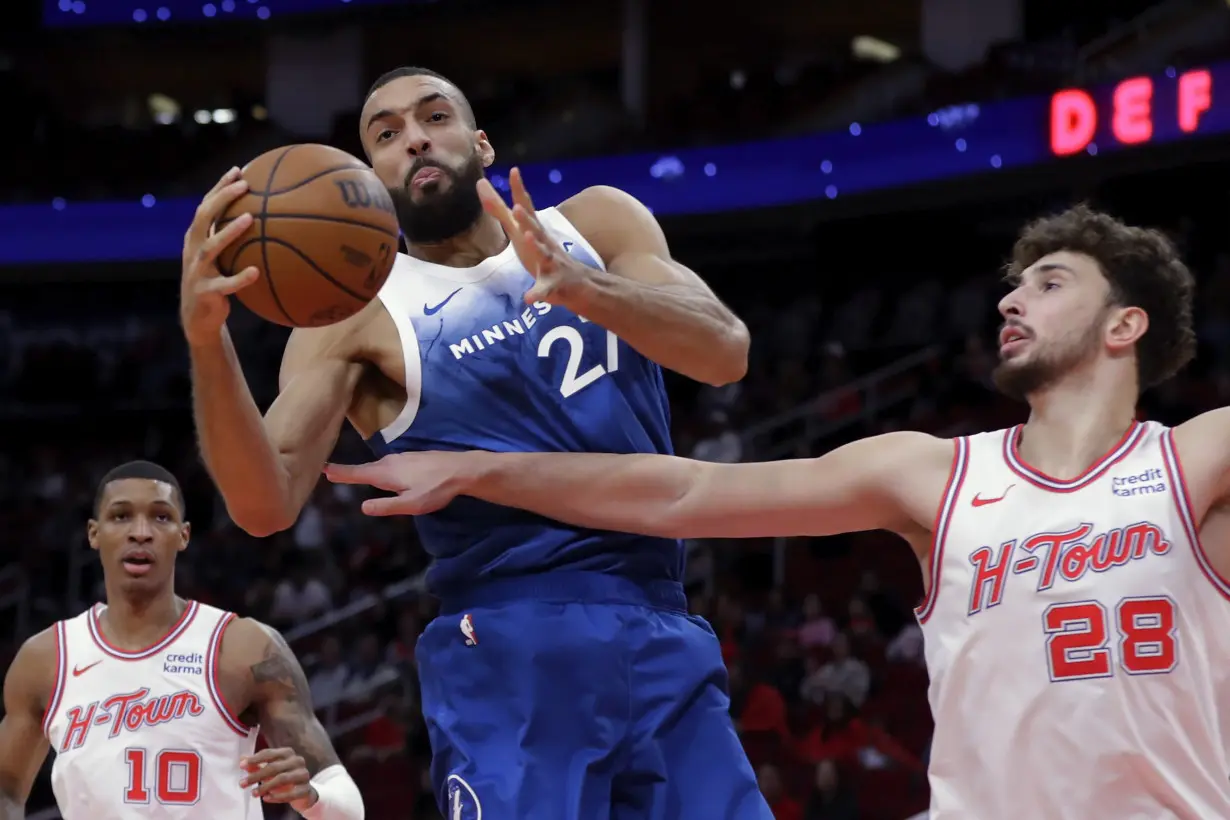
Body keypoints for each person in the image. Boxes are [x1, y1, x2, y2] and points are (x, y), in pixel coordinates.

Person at [324, 205, 1230, 818]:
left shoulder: (1194, 462)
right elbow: (684, 492)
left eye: (1050, 283)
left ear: (1126, 325)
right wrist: (480, 471)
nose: (1010, 296)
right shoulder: (931, 473)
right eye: (1014, 282)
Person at [179, 66, 763, 818]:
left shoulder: (596, 222)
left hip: (662, 620)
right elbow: (263, 503)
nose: (414, 137)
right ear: (368, 182)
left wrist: (584, 288)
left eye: (434, 117)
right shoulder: (355, 319)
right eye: (385, 135)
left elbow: (724, 352)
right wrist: (206, 342)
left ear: (481, 143)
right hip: (509, 641)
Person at [0, 461, 363, 819]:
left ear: (183, 534)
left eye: (160, 517)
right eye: (121, 516)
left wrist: (313, 798)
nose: (140, 532)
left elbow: (348, 805)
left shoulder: (243, 648)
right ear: (94, 533)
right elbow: (7, 792)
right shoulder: (46, 659)